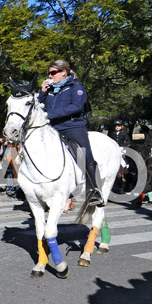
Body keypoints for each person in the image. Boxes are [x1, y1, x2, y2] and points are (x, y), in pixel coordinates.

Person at [38, 60, 103, 206]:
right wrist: (42, 93)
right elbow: (38, 106)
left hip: (72, 126)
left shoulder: (76, 86)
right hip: (52, 128)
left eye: (53, 72)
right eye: (49, 73)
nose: (50, 75)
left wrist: (51, 114)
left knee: (85, 154)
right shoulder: (49, 89)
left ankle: (94, 191)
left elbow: (76, 106)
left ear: (63, 72)